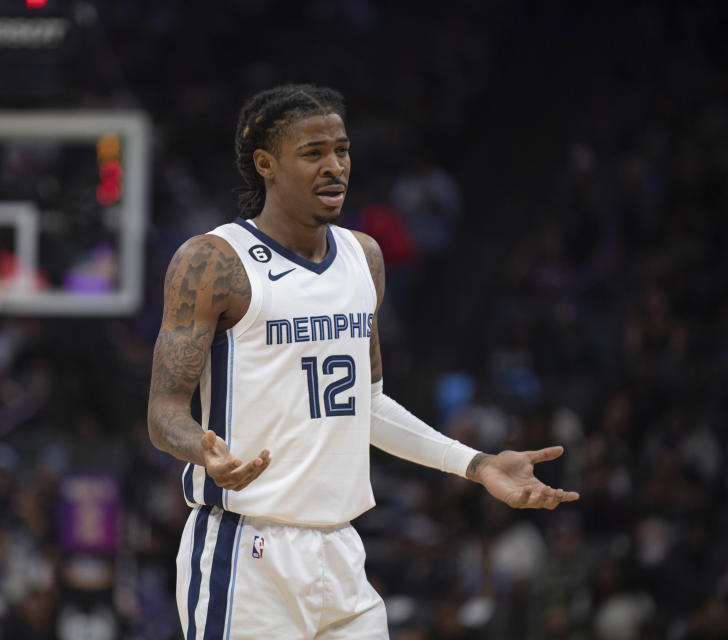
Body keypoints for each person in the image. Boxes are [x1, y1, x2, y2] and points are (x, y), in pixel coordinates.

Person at [147, 84, 579, 640]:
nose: (335, 167)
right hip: (247, 551)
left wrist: (476, 464)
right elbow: (163, 412)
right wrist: (203, 452)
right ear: (265, 164)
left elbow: (367, 404)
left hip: (343, 551)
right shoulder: (213, 261)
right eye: (313, 153)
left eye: (342, 150)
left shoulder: (363, 256)